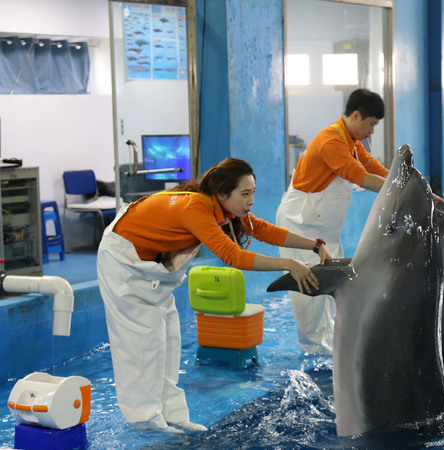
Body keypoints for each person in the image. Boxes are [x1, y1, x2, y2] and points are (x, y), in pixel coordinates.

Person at [97, 157, 332, 434]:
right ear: (222, 193)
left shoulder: (222, 209)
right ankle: (145, 421)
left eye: (253, 192)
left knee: (169, 339)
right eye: (245, 194)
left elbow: (265, 231)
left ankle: (172, 414)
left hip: (149, 270)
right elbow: (233, 255)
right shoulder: (196, 207)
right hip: (123, 264)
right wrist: (289, 263)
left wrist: (315, 246)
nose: (251, 201)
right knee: (140, 345)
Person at [275, 88, 389, 356]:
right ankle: (315, 353)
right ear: (356, 116)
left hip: (323, 230)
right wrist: (402, 191)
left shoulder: (351, 142)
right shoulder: (331, 141)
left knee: (329, 291)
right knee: (309, 291)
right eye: (371, 124)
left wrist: (410, 184)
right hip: (301, 224)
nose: (372, 131)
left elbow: (373, 167)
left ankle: (327, 346)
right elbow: (359, 176)